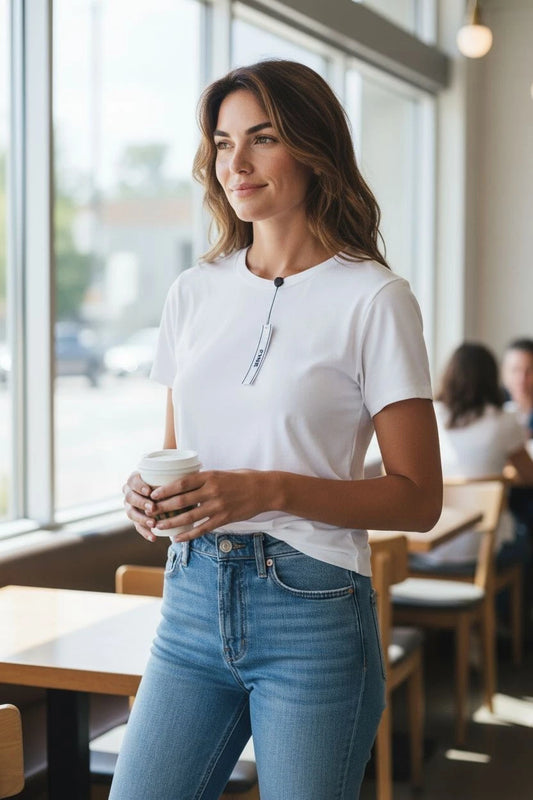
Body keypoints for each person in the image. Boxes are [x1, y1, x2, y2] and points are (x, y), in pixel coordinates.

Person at [110, 60, 442, 800]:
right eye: (224, 143)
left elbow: (418, 499)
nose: (236, 164)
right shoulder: (192, 291)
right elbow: (179, 452)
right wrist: (147, 494)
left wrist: (268, 490)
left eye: (262, 138)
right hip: (190, 600)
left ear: (313, 150)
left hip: (311, 611)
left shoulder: (374, 297)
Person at [410, 342, 533, 572]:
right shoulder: (505, 420)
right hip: (482, 549)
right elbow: (529, 476)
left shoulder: (430, 415)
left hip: (427, 546)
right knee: (523, 537)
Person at [502, 338, 533, 436]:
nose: (522, 378)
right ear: (504, 373)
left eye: (529, 370)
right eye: (515, 370)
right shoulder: (492, 408)